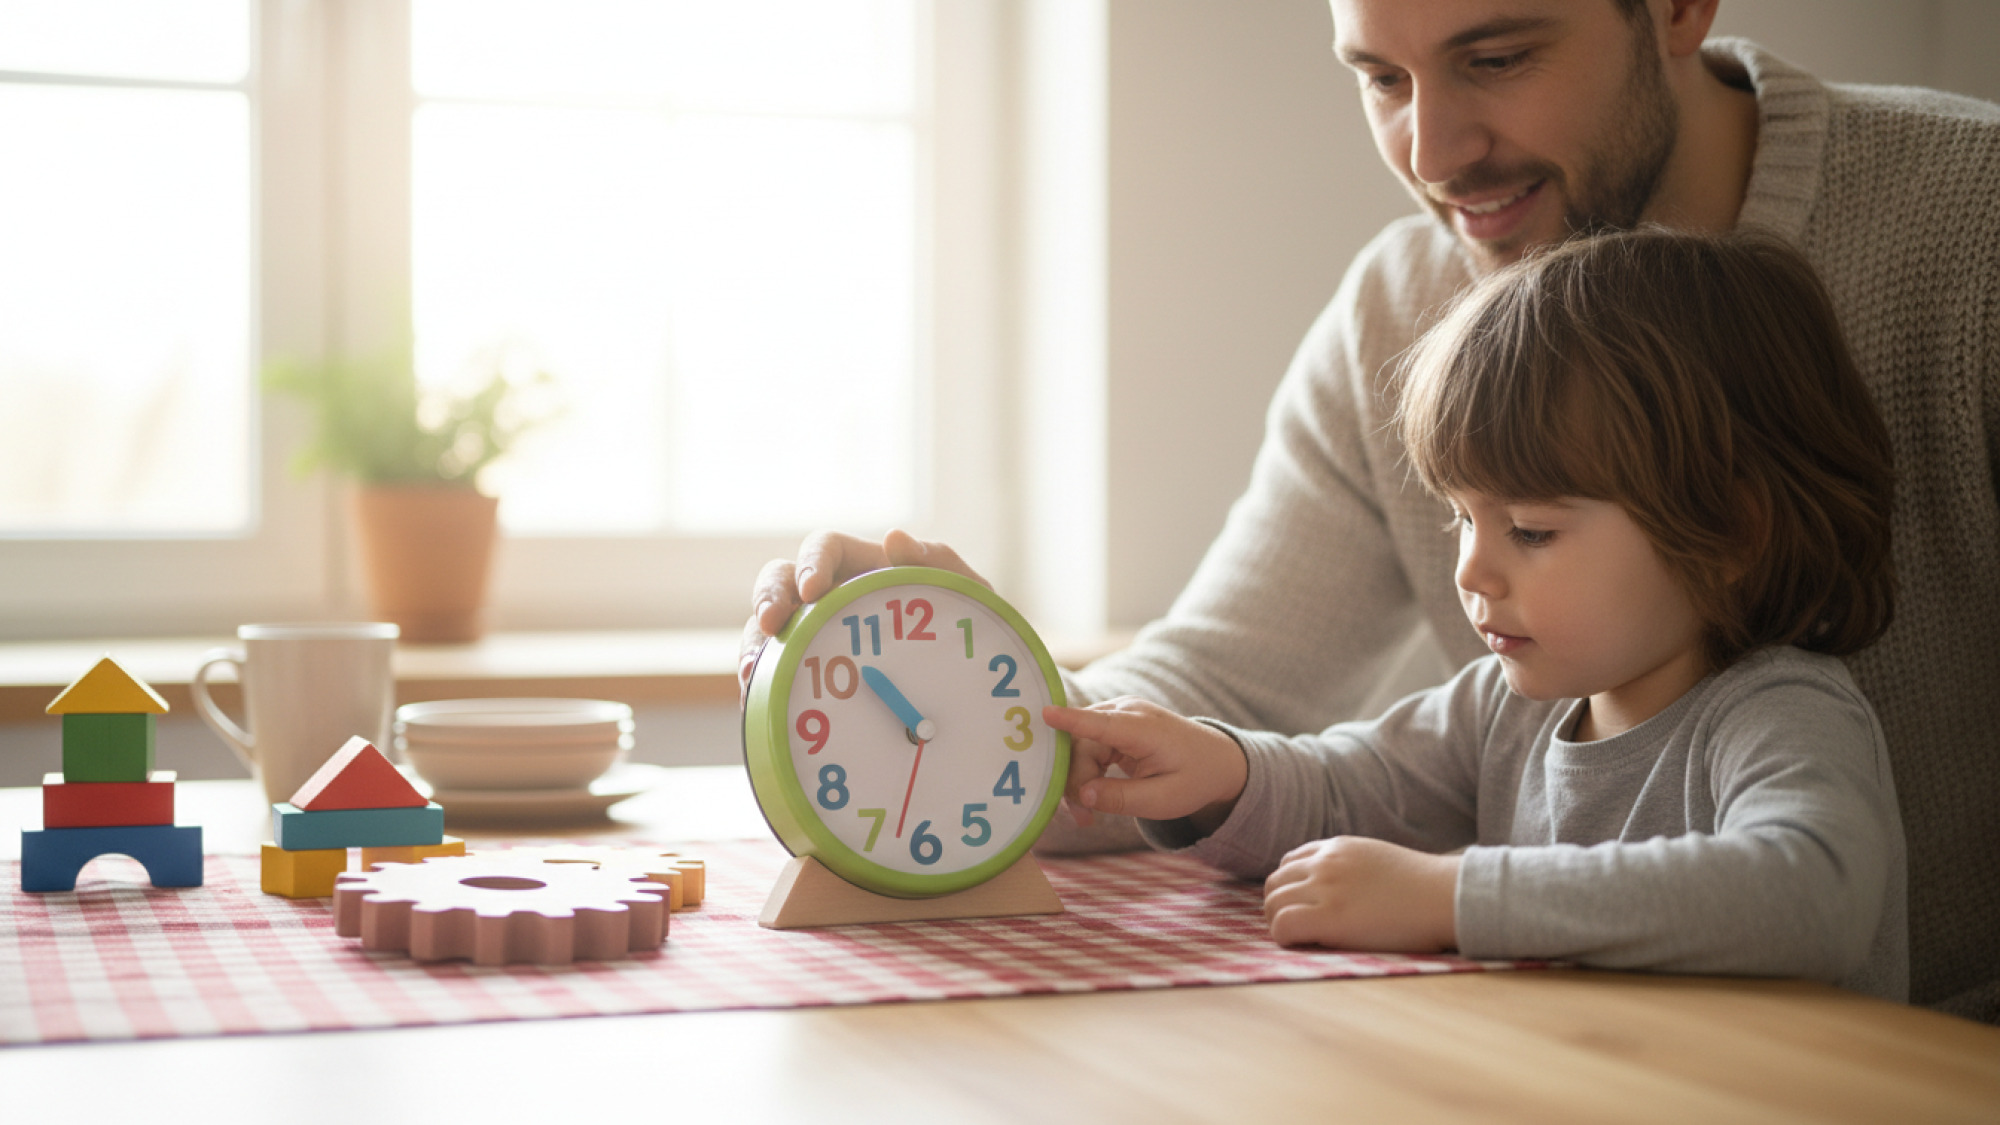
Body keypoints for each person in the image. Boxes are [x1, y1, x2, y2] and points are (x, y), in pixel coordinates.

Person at [742, 1, 2000, 1018]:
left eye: (1495, 56)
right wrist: (952, 695)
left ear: (1675, 7)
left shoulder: (1973, 223)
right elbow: (1248, 707)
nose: (1433, 152)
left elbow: (1810, 889)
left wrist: (1454, 894)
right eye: (1381, 80)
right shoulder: (1403, 320)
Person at [1044, 228, 1906, 999]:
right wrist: (1219, 769)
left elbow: (1811, 891)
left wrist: (1446, 895)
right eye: (1461, 517)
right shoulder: (1503, 708)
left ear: (1729, 530)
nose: (1471, 568)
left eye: (1530, 529)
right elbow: (1348, 787)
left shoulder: (1778, 712)